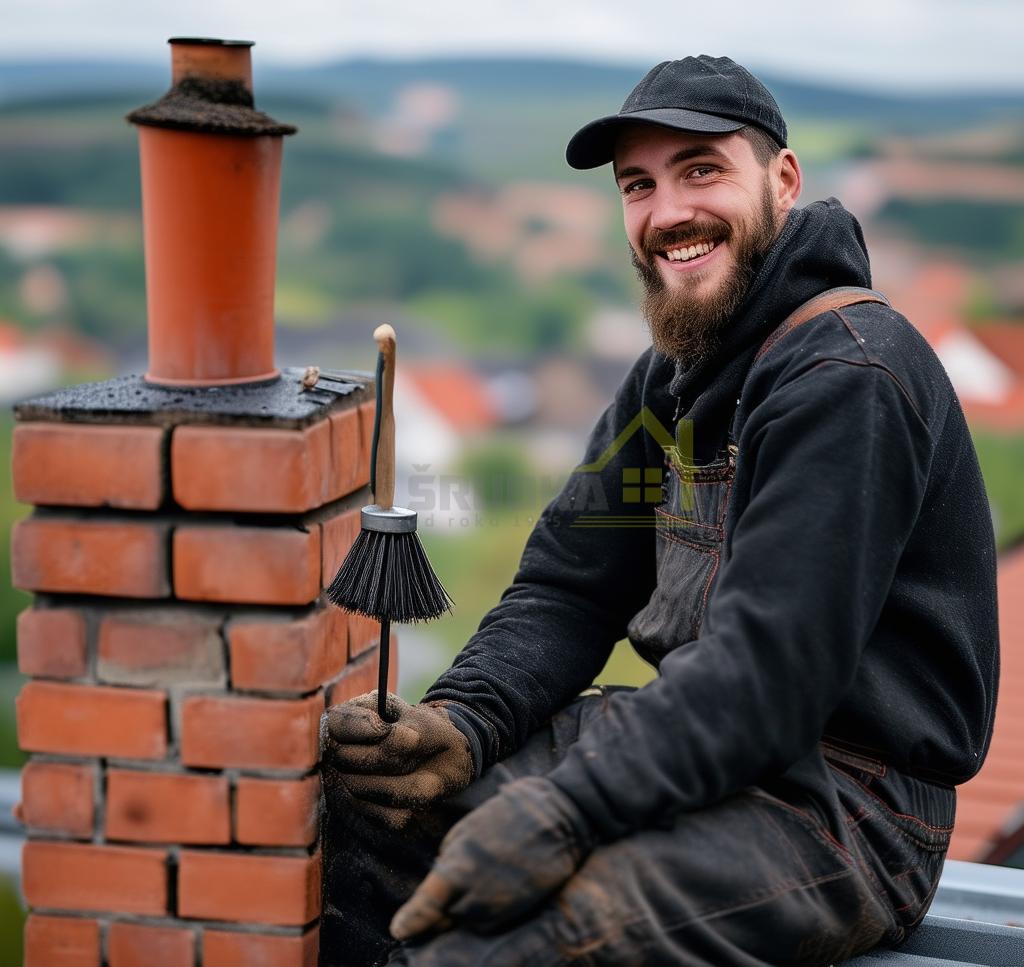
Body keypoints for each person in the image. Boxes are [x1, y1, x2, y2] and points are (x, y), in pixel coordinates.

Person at [318, 55, 999, 967]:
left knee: (506, 946)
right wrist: (464, 724)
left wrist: (564, 810)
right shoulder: (676, 379)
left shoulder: (849, 377)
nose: (668, 211)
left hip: (840, 808)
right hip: (686, 747)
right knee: (358, 821)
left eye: (701, 170)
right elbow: (569, 588)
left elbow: (766, 674)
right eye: (639, 185)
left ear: (783, 181)